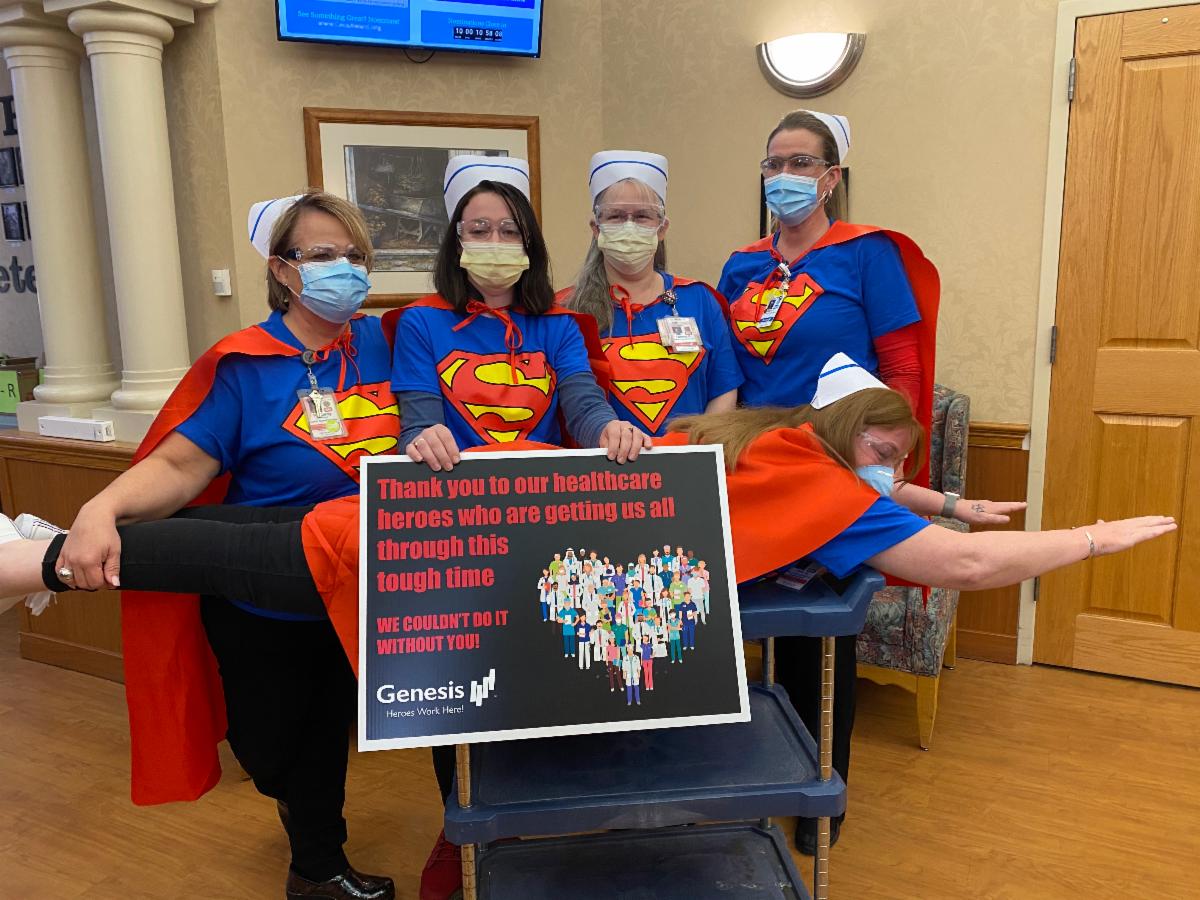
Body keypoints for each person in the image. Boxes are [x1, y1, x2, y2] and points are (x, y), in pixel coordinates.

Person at [2, 382, 1174, 876]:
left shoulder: (770, 444)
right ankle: (39, 557)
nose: (888, 475)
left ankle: (43, 547)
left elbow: (889, 492)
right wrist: (1088, 539)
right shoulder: (835, 493)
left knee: (245, 542)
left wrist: (941, 497)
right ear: (851, 446)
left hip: (454, 525)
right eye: (887, 457)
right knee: (235, 556)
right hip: (438, 555)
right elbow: (960, 567)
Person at [39, 191, 399, 899]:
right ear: (282, 270)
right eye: (323, 255)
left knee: (328, 732)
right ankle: (298, 811)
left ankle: (318, 866)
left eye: (355, 255)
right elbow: (180, 467)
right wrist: (101, 506)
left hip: (358, 587)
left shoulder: (388, 344)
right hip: (260, 591)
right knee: (270, 747)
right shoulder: (243, 364)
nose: (345, 269)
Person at [389, 155, 651, 472]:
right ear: (457, 243)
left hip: (544, 487)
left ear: (529, 243)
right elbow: (417, 425)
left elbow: (584, 407)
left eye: (510, 231)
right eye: (479, 231)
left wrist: (608, 428)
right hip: (456, 487)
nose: (495, 242)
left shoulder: (559, 324)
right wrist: (423, 439)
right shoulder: (420, 322)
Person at [559, 151, 743, 436]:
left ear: (662, 228)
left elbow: (724, 389)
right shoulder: (566, 310)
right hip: (601, 459)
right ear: (596, 228)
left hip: (690, 457)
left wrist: (694, 448)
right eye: (615, 216)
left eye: (642, 216)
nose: (629, 226)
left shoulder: (700, 299)